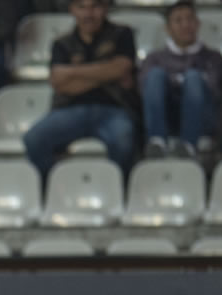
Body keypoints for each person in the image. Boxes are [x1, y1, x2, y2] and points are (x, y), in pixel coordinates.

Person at [22, 0, 138, 180]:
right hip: (69, 110)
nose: (88, 14)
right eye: (81, 7)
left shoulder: (122, 34)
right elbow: (58, 82)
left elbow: (121, 68)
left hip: (114, 108)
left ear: (105, 8)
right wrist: (107, 74)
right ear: (72, 10)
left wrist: (72, 72)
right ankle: (54, 187)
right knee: (33, 139)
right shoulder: (62, 43)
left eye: (95, 6)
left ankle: (118, 190)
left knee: (124, 139)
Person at [139, 1, 222, 159]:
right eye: (178, 20)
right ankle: (157, 142)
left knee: (193, 78)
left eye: (190, 19)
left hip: (202, 116)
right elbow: (146, 89)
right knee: (156, 75)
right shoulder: (154, 59)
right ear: (168, 28)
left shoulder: (213, 57)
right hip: (167, 114)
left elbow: (213, 89)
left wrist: (183, 80)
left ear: (198, 23)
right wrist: (182, 81)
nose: (185, 25)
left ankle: (188, 146)